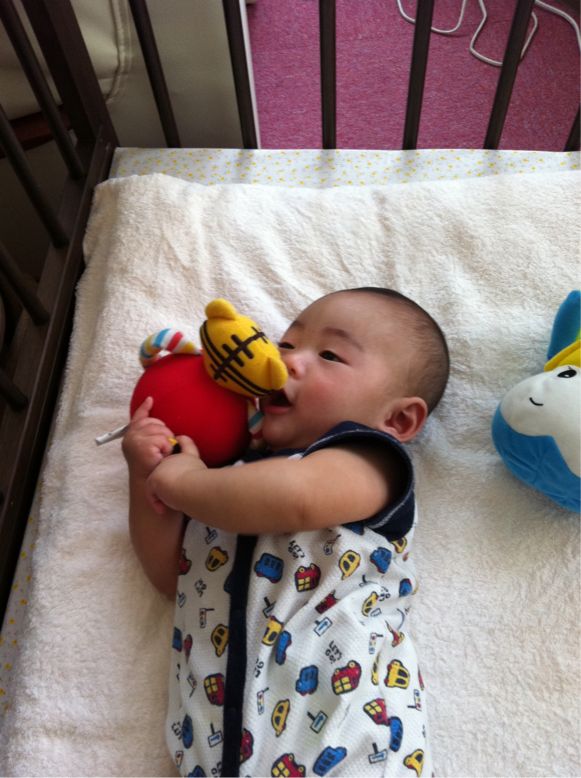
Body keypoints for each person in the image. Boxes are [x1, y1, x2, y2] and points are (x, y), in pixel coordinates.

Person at [122, 287, 449, 778]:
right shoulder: (225, 482)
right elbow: (170, 575)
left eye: (330, 355)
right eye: (286, 344)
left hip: (351, 747)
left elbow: (297, 497)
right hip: (210, 759)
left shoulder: (367, 460)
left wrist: (185, 484)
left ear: (397, 418)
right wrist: (147, 479)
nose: (288, 360)